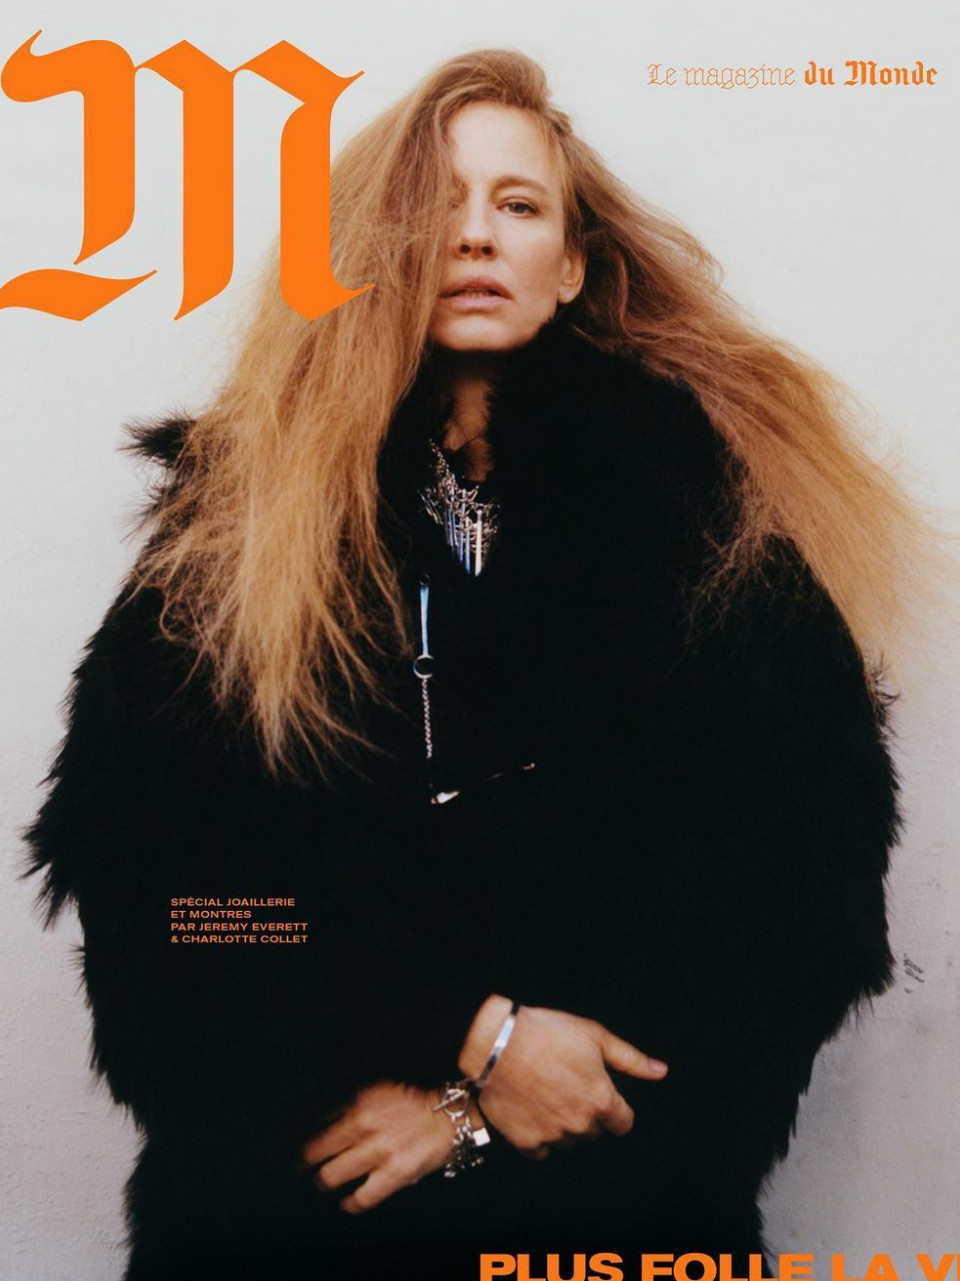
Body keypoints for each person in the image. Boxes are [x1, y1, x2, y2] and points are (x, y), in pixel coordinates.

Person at [24, 47, 942, 1281]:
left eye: (518, 205)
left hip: (605, 1225)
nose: (473, 236)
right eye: (433, 206)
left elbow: (796, 907)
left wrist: (472, 1120)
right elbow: (167, 897)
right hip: (294, 1216)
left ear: (571, 265)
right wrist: (467, 1033)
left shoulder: (711, 531)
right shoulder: (236, 535)